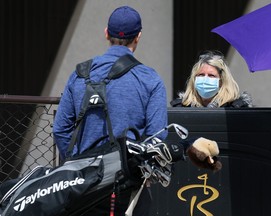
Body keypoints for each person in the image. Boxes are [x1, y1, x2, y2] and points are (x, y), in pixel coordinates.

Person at [53, 5, 168, 216]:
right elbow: (157, 137)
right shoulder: (149, 79)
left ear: (106, 33)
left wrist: (77, 162)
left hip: (82, 185)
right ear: (138, 36)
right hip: (127, 186)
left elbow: (60, 129)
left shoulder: (80, 74)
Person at [170, 50, 253, 108]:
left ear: (221, 81)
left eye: (211, 75)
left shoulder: (236, 107)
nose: (205, 79)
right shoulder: (181, 107)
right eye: (201, 75)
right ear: (194, 79)